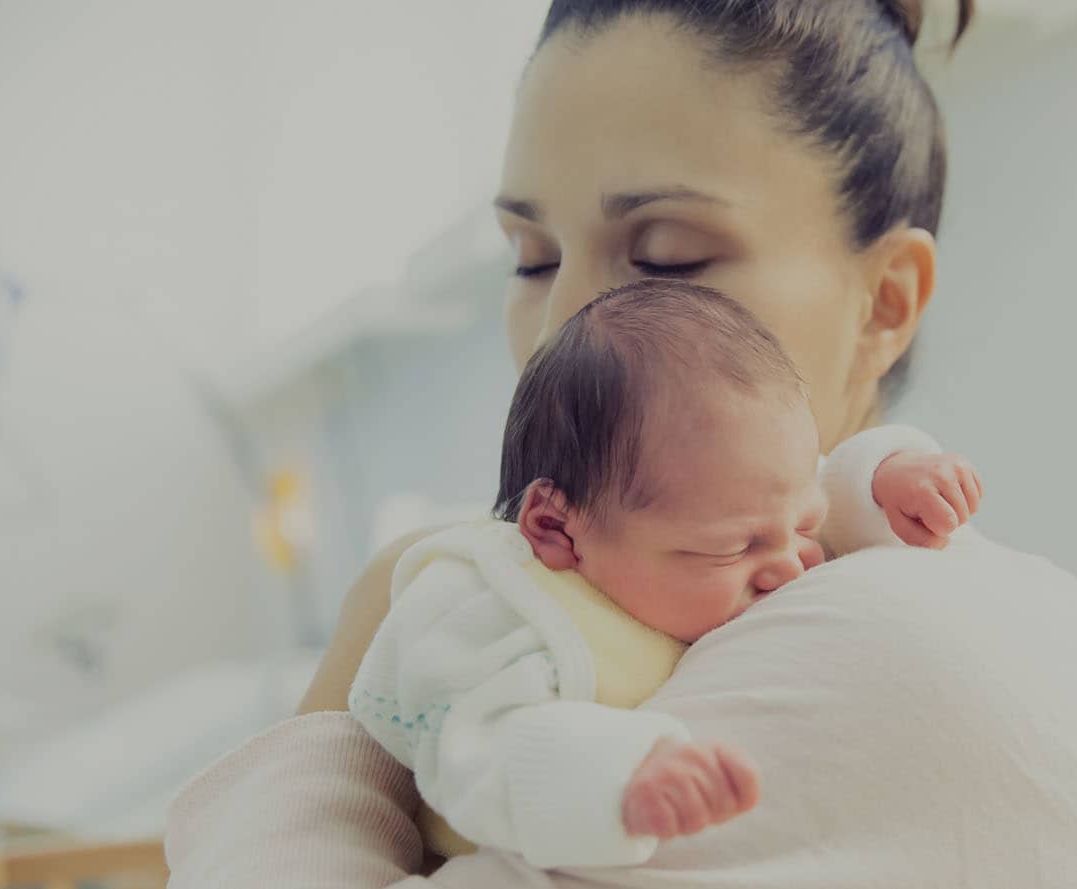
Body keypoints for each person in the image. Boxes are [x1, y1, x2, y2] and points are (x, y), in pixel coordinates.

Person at [165, 2, 1077, 886]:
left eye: (667, 259)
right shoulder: (569, 613)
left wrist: (341, 700)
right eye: (529, 260)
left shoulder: (922, 647)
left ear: (884, 302)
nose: (562, 325)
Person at [349, 280, 983, 867]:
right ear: (558, 529)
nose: (792, 563)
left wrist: (889, 479)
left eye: (803, 526)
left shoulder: (734, 502)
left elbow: (825, 483)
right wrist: (620, 779)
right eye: (733, 549)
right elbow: (475, 753)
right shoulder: (499, 609)